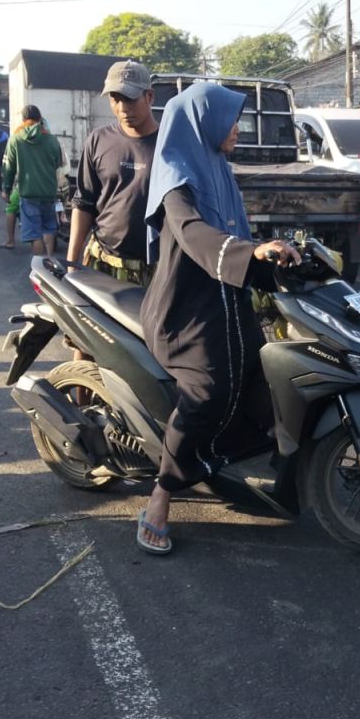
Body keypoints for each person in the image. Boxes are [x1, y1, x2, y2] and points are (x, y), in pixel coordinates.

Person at [136, 82, 299, 555]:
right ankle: (161, 495)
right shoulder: (176, 179)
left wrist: (276, 254)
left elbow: (235, 233)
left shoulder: (219, 171)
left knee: (263, 374)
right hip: (185, 314)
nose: (237, 131)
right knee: (207, 392)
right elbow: (194, 232)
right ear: (203, 122)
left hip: (225, 305)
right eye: (231, 122)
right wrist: (249, 252)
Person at [69, 61, 159, 285]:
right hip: (104, 265)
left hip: (157, 270)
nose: (122, 108)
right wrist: (71, 264)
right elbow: (84, 203)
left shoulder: (170, 144)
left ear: (149, 97)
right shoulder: (98, 140)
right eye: (115, 99)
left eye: (130, 99)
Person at [2, 105, 63, 257]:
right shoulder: (51, 139)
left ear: (23, 120)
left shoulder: (15, 139)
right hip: (49, 192)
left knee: (35, 234)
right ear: (40, 118)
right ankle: (50, 261)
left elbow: (9, 167)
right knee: (48, 228)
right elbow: (58, 163)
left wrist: (6, 189)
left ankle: (40, 268)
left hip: (28, 193)